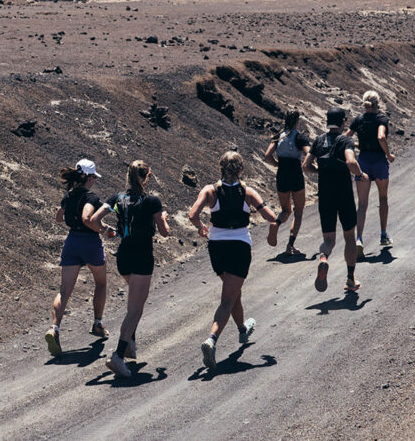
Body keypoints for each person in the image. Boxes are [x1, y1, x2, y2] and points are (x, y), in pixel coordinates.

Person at [189, 151, 279, 370]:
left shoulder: (210, 191)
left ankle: (242, 329)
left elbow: (193, 215)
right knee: (227, 299)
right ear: (241, 170)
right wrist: (272, 232)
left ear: (220, 167)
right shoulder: (247, 192)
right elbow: (270, 217)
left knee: (233, 292)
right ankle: (211, 340)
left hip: (217, 246)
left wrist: (202, 228)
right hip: (239, 246)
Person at [91, 160, 170, 378]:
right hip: (142, 257)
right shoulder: (152, 201)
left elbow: (94, 218)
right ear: (148, 176)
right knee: (135, 309)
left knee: (134, 305)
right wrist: (164, 218)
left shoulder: (117, 198)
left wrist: (107, 230)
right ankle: (118, 354)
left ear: (128, 176)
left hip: (123, 256)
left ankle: (129, 344)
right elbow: (164, 232)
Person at [45, 159, 115, 358]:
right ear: (88, 177)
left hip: (72, 241)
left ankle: (54, 328)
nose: (94, 181)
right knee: (101, 283)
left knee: (64, 290)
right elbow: (87, 218)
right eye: (93, 177)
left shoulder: (68, 196)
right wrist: (104, 230)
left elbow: (59, 218)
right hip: (90, 242)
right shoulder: (90, 196)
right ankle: (98, 324)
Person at [303, 108, 363, 293]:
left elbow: (306, 165)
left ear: (326, 121)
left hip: (325, 195)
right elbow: (351, 163)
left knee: (329, 240)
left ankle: (323, 259)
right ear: (343, 122)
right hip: (343, 194)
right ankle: (350, 279)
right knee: (349, 237)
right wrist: (360, 174)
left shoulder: (319, 140)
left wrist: (320, 171)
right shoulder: (346, 140)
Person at [349, 90, 396, 256]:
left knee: (362, 204)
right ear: (377, 104)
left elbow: (347, 138)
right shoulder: (381, 119)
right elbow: (381, 137)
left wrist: (356, 145)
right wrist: (389, 154)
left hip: (363, 162)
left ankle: (359, 238)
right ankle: (383, 235)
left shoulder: (358, 120)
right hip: (379, 161)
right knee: (383, 198)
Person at [264, 110, 311, 255]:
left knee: (286, 210)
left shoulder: (279, 136)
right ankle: (290, 245)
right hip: (295, 174)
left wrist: (277, 164)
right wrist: (309, 164)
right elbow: (308, 152)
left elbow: (267, 155)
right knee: (298, 211)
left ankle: (276, 224)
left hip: (282, 174)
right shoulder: (300, 137)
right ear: (297, 121)